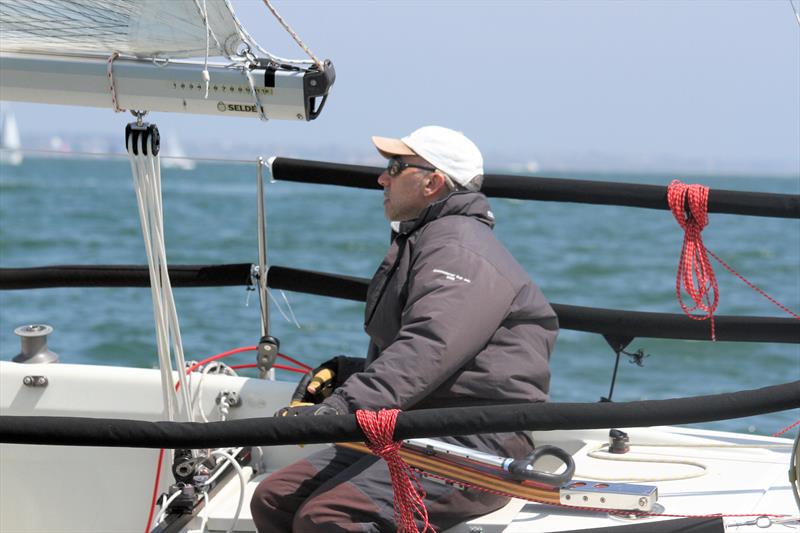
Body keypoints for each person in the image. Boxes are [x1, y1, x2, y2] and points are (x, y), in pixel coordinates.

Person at [251, 126, 559, 532]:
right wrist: (349, 371)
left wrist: (341, 407)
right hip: (416, 427)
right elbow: (434, 353)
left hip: (474, 441)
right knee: (273, 500)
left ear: (433, 183)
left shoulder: (459, 251)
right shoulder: (430, 239)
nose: (382, 178)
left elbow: (428, 349)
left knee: (328, 518)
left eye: (395, 167)